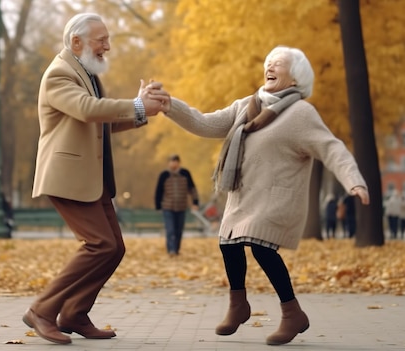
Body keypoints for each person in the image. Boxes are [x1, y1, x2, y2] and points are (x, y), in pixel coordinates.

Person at [147, 46, 369, 345]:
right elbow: (205, 122)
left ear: (295, 78)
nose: (270, 67)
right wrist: (168, 105)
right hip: (242, 195)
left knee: (262, 248)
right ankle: (238, 305)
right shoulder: (247, 106)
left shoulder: (301, 112)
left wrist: (353, 180)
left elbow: (331, 147)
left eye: (278, 64)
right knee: (228, 244)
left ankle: (292, 314)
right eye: (268, 63)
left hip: (277, 197)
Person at [22, 13, 168, 345]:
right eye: (101, 40)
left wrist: (143, 109)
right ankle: (42, 311)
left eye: (107, 39)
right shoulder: (59, 74)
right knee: (100, 244)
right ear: (76, 42)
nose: (108, 47)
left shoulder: (85, 72)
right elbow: (89, 110)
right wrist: (136, 104)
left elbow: (101, 121)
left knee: (113, 248)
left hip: (92, 178)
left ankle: (74, 312)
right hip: (67, 177)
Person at [154, 154, 200, 256]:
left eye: (175, 161)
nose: (173, 163)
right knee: (170, 230)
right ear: (168, 163)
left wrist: (195, 202)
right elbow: (159, 191)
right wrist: (158, 205)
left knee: (178, 230)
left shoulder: (185, 173)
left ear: (179, 162)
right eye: (171, 161)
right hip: (168, 207)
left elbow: (192, 189)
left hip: (181, 207)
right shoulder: (164, 175)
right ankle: (171, 250)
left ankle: (176, 249)